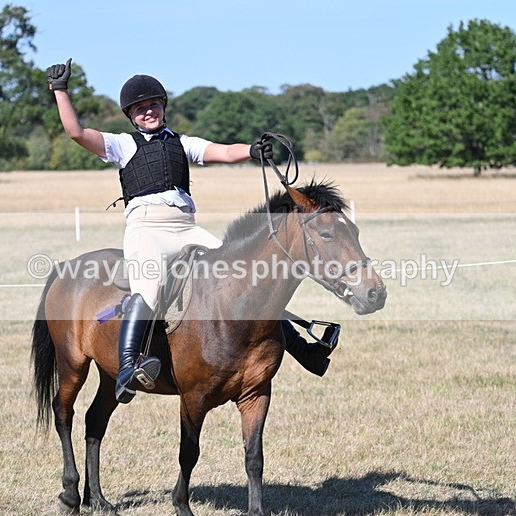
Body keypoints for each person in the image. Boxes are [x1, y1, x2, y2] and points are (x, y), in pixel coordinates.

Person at [46, 59, 336, 404]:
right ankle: (127, 368)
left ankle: (304, 348)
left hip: (186, 228)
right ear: (131, 116)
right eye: (139, 109)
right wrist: (61, 92)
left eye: (153, 104)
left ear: (163, 106)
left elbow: (224, 152)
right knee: (149, 290)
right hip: (147, 230)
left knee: (242, 277)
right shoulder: (122, 145)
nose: (148, 112)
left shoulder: (183, 143)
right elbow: (77, 133)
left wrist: (251, 151)